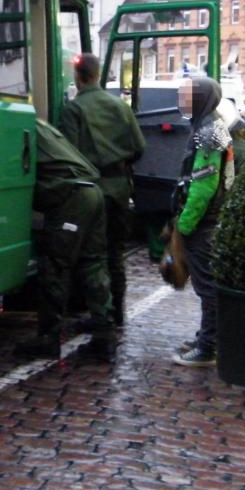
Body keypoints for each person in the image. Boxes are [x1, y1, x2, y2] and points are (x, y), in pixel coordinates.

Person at [14, 119, 115, 360]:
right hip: (91, 190)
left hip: (73, 197)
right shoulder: (37, 123)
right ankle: (104, 336)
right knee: (92, 264)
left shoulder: (14, 125)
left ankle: (48, 338)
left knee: (55, 266)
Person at [60, 53, 145, 327]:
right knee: (116, 252)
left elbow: (69, 155)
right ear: (97, 75)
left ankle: (101, 315)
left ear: (78, 76)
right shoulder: (120, 106)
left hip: (90, 190)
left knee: (92, 255)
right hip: (119, 187)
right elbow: (139, 148)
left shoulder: (73, 109)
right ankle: (118, 311)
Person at [172, 77, 232, 367]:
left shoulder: (209, 131)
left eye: (187, 97)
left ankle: (209, 347)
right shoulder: (208, 126)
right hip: (207, 220)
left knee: (207, 286)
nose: (182, 102)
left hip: (204, 222)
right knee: (206, 284)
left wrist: (184, 225)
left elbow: (203, 187)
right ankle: (207, 338)